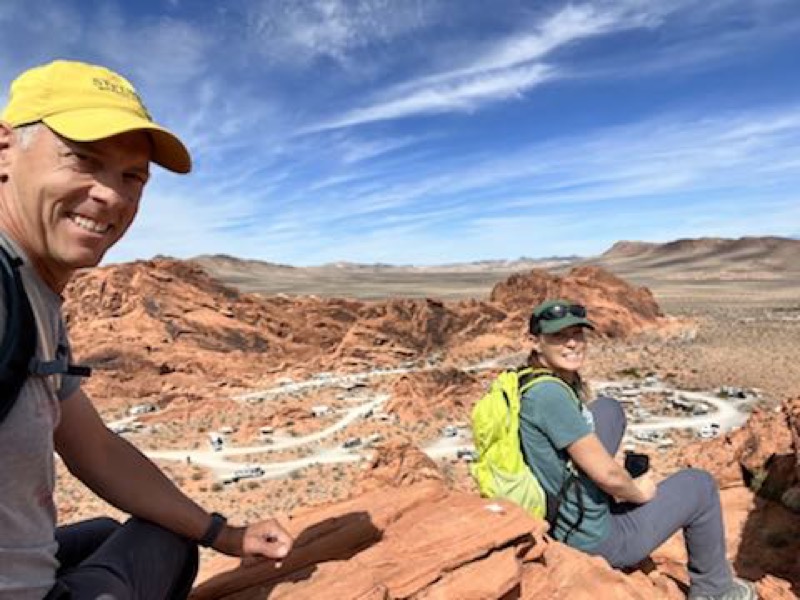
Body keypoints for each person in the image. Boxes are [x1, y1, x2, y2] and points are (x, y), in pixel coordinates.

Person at [0, 60, 293, 600]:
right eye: (83, 159)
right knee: (166, 543)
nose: (111, 195)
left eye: (132, 176)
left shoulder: (33, 295)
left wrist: (224, 534)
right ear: (4, 151)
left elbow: (93, 447)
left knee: (112, 533)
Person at [519, 299, 755, 600]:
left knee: (608, 409)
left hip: (560, 507)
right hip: (592, 539)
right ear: (534, 342)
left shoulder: (526, 380)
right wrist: (636, 491)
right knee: (700, 485)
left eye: (577, 333)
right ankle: (715, 590)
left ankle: (599, 500)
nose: (572, 343)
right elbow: (608, 474)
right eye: (558, 336)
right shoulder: (550, 396)